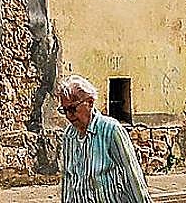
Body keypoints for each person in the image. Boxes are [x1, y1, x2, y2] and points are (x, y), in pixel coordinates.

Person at [56, 74, 152, 203]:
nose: (69, 115)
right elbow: (68, 180)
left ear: (90, 102)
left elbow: (132, 175)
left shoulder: (111, 130)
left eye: (73, 109)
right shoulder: (69, 135)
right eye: (65, 110)